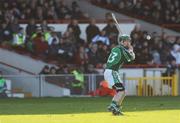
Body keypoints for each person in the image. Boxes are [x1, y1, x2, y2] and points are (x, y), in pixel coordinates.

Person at [104, 34, 135, 115]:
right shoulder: (122, 50)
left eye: (129, 41)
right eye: (126, 41)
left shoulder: (116, 48)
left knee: (123, 92)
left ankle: (116, 108)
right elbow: (131, 58)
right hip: (112, 71)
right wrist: (131, 50)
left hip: (111, 72)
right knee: (121, 91)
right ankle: (113, 105)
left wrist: (128, 49)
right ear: (121, 42)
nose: (128, 43)